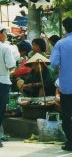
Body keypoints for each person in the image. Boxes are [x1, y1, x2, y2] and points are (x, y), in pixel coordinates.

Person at [50, 17, 72, 151]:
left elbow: (53, 64)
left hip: (67, 87)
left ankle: (70, 142)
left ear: (64, 28)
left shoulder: (60, 44)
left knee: (67, 116)